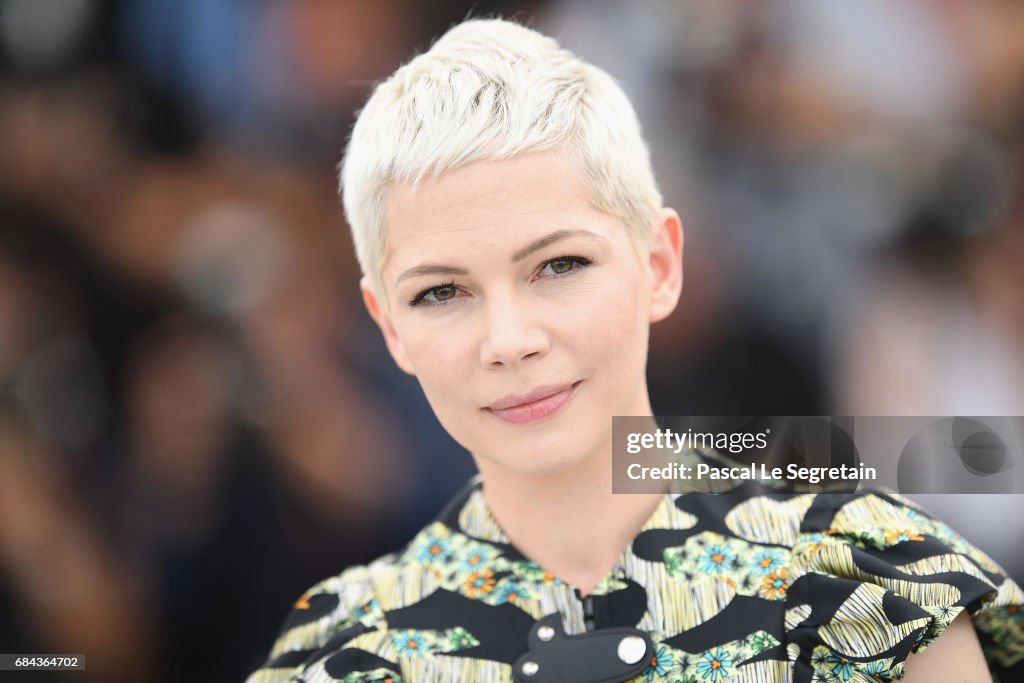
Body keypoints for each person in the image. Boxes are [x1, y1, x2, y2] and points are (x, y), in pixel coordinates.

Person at [246, 18, 1023, 683]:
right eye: (441, 293)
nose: (510, 341)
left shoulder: (876, 583)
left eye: (559, 266)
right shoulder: (343, 653)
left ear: (659, 265)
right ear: (388, 326)